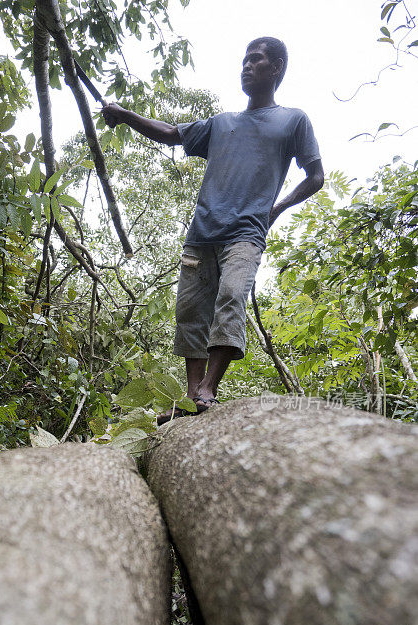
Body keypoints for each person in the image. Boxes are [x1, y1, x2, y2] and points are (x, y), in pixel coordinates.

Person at [102, 37, 324, 424]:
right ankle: (192, 398)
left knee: (233, 295)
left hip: (246, 232)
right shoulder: (222, 124)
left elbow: (316, 176)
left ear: (277, 68)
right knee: (191, 311)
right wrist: (123, 114)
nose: (246, 66)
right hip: (202, 232)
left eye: (256, 60)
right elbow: (172, 133)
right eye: (243, 60)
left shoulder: (293, 120)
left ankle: (209, 387)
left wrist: (277, 208)